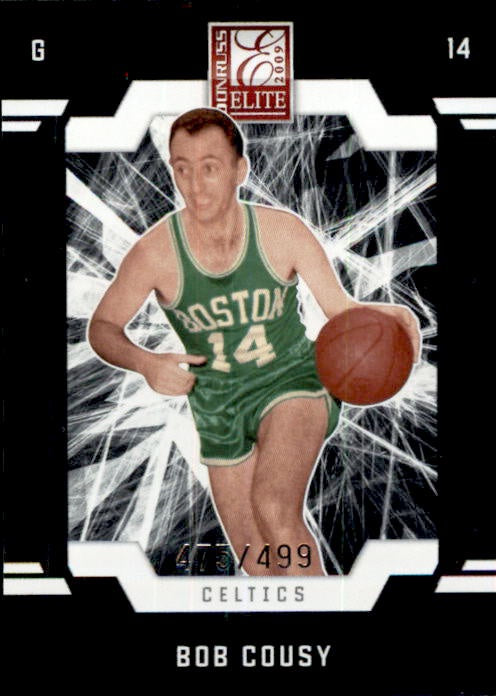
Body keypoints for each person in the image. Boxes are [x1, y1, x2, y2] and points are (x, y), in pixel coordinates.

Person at [88, 107, 420, 577]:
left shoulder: (281, 231)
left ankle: (326, 612)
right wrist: (145, 362)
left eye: (209, 167)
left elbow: (340, 310)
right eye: (182, 168)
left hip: (291, 383)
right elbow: (103, 327)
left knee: (274, 507)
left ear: (240, 170)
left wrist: (398, 319)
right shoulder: (155, 253)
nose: (195, 184)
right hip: (217, 406)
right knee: (255, 559)